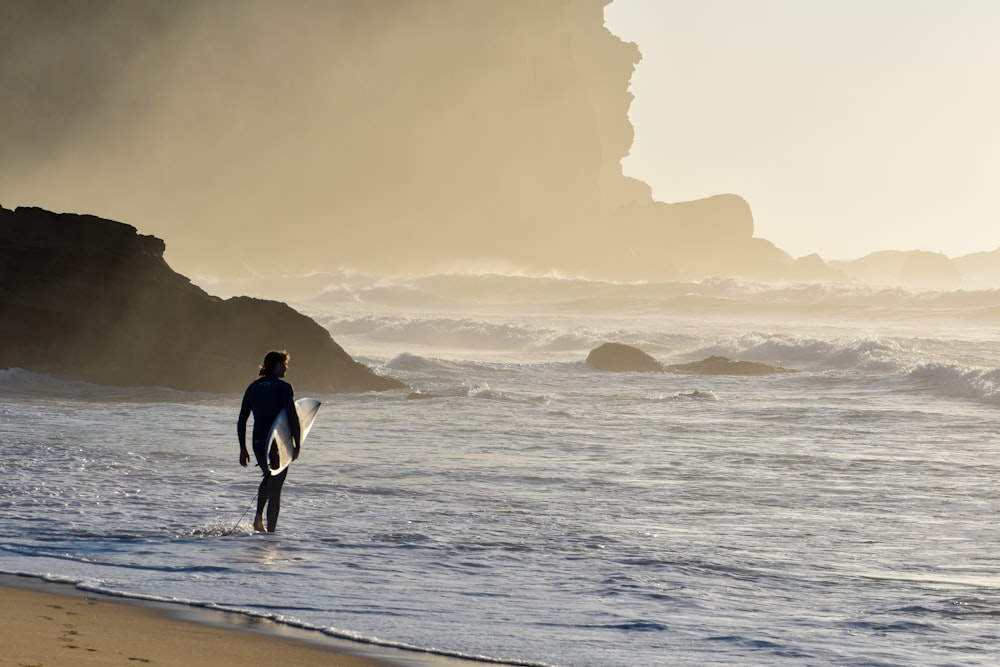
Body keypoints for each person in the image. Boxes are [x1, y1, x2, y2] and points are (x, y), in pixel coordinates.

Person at [237, 349, 301, 532]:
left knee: (268, 477)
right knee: (276, 487)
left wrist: (242, 448)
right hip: (277, 443)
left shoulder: (252, 387)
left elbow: (242, 420)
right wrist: (297, 443)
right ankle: (271, 534)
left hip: (258, 442)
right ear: (277, 365)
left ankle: (258, 518)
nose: (286, 368)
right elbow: (292, 416)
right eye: (285, 364)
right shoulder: (284, 387)